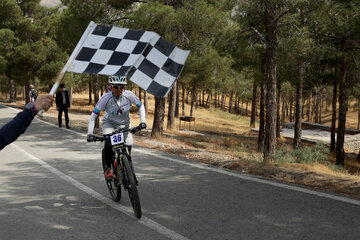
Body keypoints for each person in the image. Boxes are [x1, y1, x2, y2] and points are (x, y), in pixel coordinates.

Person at [87, 76, 146, 179]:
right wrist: (89, 133)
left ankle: (128, 166)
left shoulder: (129, 95)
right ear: (111, 87)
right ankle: (108, 167)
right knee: (109, 142)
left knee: (128, 145)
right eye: (116, 87)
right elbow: (93, 115)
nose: (119, 90)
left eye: (121, 87)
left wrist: (143, 122)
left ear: (124, 87)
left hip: (125, 125)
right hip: (109, 124)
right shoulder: (105, 98)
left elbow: (140, 106)